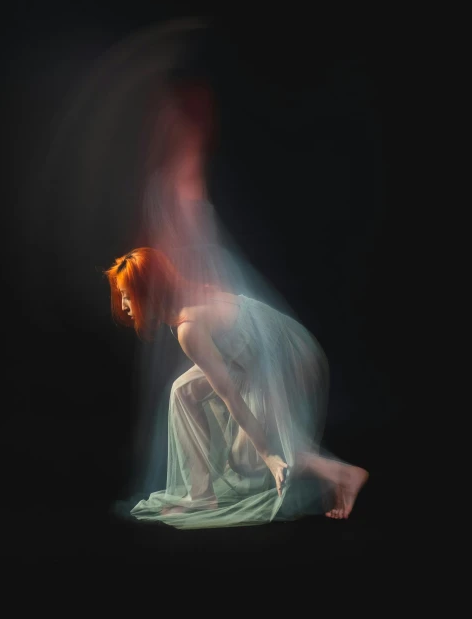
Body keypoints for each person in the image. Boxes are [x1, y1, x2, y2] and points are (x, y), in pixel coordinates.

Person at [104, 77, 368, 530]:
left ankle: (343, 473)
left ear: (149, 293)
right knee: (182, 392)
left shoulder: (187, 327)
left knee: (255, 450)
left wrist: (269, 457)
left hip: (276, 353)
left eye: (129, 298)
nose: (125, 308)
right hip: (258, 347)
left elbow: (230, 393)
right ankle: (202, 493)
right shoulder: (185, 305)